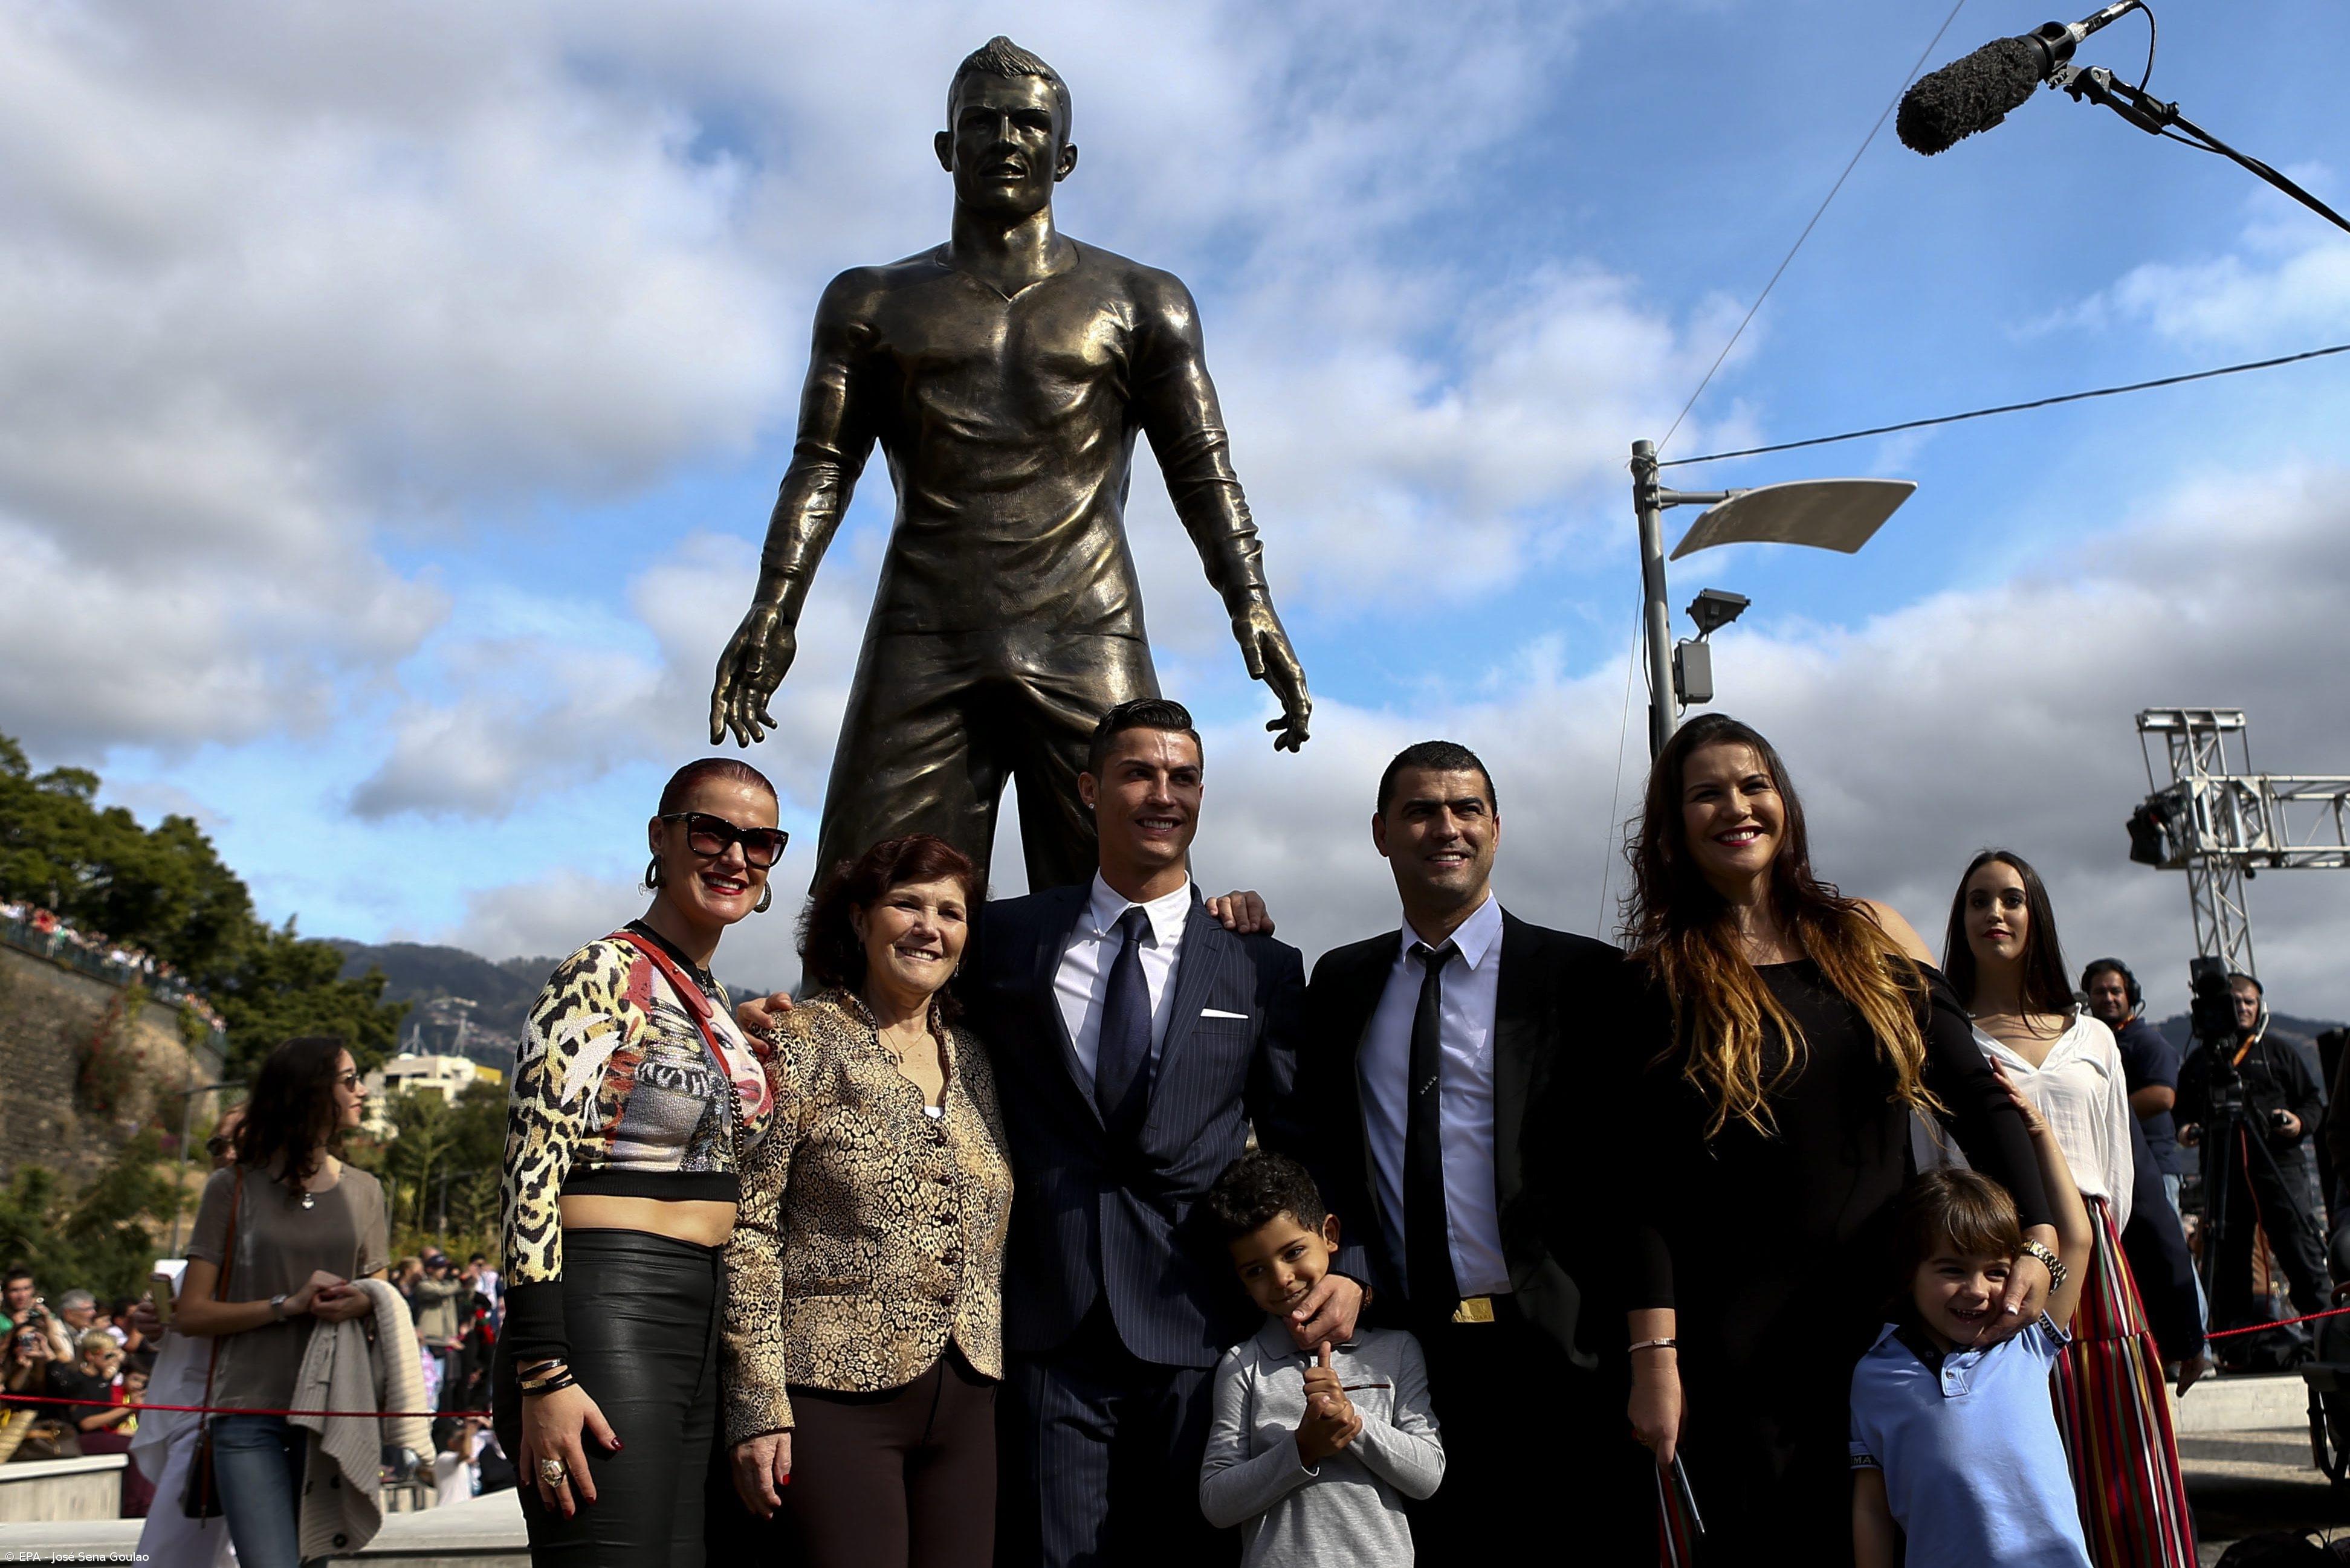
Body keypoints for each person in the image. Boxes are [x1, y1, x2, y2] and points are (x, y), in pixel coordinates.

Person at [709, 36, 1312, 897]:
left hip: (1086, 621)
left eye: (1029, 123)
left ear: (1064, 156)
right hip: (926, 628)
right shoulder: (871, 301)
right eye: (981, 123)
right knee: (870, 903)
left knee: (1133, 901)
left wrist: (1251, 601)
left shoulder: (1144, 301)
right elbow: (821, 466)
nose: (1006, 139)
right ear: (946, 149)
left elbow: (1203, 469)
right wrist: (773, 605)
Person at [1614, 714, 2054, 1563]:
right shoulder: (1656, 982)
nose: (1736, 807)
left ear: (1786, 804)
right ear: (1673, 827)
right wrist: (1654, 1356)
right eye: (1706, 792)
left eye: (1754, 785)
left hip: (1893, 1331)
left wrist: (2040, 1242)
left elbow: (1982, 1100)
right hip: (1742, 1355)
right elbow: (1645, 1191)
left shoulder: (1868, 943)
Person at [959, 697, 1348, 1567]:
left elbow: (1299, 1143)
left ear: (1202, 794)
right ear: (1091, 788)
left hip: (1199, 1318)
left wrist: (1337, 1265)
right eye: (1138, 772)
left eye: (1182, 777)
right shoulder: (1007, 937)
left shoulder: (1257, 960)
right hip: (1047, 1316)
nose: (1160, 793)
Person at [1289, 740, 1649, 1561]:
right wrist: (1351, 1261)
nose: (1444, 826)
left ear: (1496, 827)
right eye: (1420, 810)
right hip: (1407, 1350)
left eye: (1466, 808)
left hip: (1560, 1353)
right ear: (1381, 831)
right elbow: (1316, 1139)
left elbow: (1628, 1169)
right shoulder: (1341, 982)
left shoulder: (1583, 977)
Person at [494, 757, 786, 1567]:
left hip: (701, 1310)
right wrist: (544, 1372)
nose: (736, 856)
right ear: (661, 836)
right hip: (607, 1301)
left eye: (760, 842)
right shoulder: (601, 970)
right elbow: (530, 1170)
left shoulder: (710, 995)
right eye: (712, 830)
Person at [722, 833, 1012, 1567]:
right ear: (858, 919)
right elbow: (749, 1227)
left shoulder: (976, 1058)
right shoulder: (800, 1040)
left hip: (968, 1395)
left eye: (951, 911)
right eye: (906, 903)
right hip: (832, 1397)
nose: (930, 926)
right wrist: (757, 1408)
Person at [1943, 849, 2194, 1563]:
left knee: (2122, 1463)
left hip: (2103, 1275)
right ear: (1959, 922)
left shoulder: (2094, 1039)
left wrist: (2177, 1314)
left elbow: (2124, 1174)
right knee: (2023, 1464)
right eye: (1978, 900)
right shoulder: (1946, 1038)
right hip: (1994, 1263)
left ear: (2037, 916)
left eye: (2012, 899)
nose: (1996, 912)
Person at [1850, 1068, 2097, 1568]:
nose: (1978, 1290)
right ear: (1908, 1270)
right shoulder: (1874, 1374)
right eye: (1952, 1269)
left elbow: (2077, 1238)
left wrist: (2040, 1133)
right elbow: (1871, 1506)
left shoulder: (2025, 1340)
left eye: (1996, 1271)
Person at [176, 1036, 388, 1568]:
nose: (362, 1091)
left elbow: (380, 1295)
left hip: (332, 1417)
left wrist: (359, 1301)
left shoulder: (366, 1190)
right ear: (311, 1092)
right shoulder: (232, 1188)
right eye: (349, 1080)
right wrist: (286, 1304)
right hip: (248, 1416)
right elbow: (191, 1312)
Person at [1199, 1150, 1443, 1567]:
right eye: (1256, 1270)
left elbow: (1428, 1475)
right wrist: (1302, 1448)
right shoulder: (1243, 1365)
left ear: (1329, 1233)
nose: (1281, 1278)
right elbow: (1218, 1500)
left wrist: (1354, 1422)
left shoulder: (1397, 1349)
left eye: (1293, 1252)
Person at [2178, 972, 2332, 1330]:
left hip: (2280, 1166)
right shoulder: (2202, 1061)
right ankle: (2235, 1339)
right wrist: (2185, 1129)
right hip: (2223, 1169)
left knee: (2299, 1247)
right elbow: (2181, 1108)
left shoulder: (2278, 1051)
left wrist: (2298, 1122)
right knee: (2228, 1255)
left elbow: (2313, 1102)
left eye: (2250, 1001)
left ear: (2261, 1006)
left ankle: (2325, 1330)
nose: (2243, 1008)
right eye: (2235, 1001)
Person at [131, 1104, 245, 1568]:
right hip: (198, 1417)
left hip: (249, 1412)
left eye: (240, 1141)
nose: (228, 1153)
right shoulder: (214, 1215)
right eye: (219, 1144)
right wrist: (156, 1324)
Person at [2085, 960, 2185, 1210]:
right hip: (2109, 1169)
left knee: (2163, 1248)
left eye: (2115, 991)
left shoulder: (2148, 1041)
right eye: (2099, 992)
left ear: (2131, 996)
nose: (2108, 998)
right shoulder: (2089, 1041)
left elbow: (2162, 1097)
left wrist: (2101, 1113)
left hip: (2152, 1167)